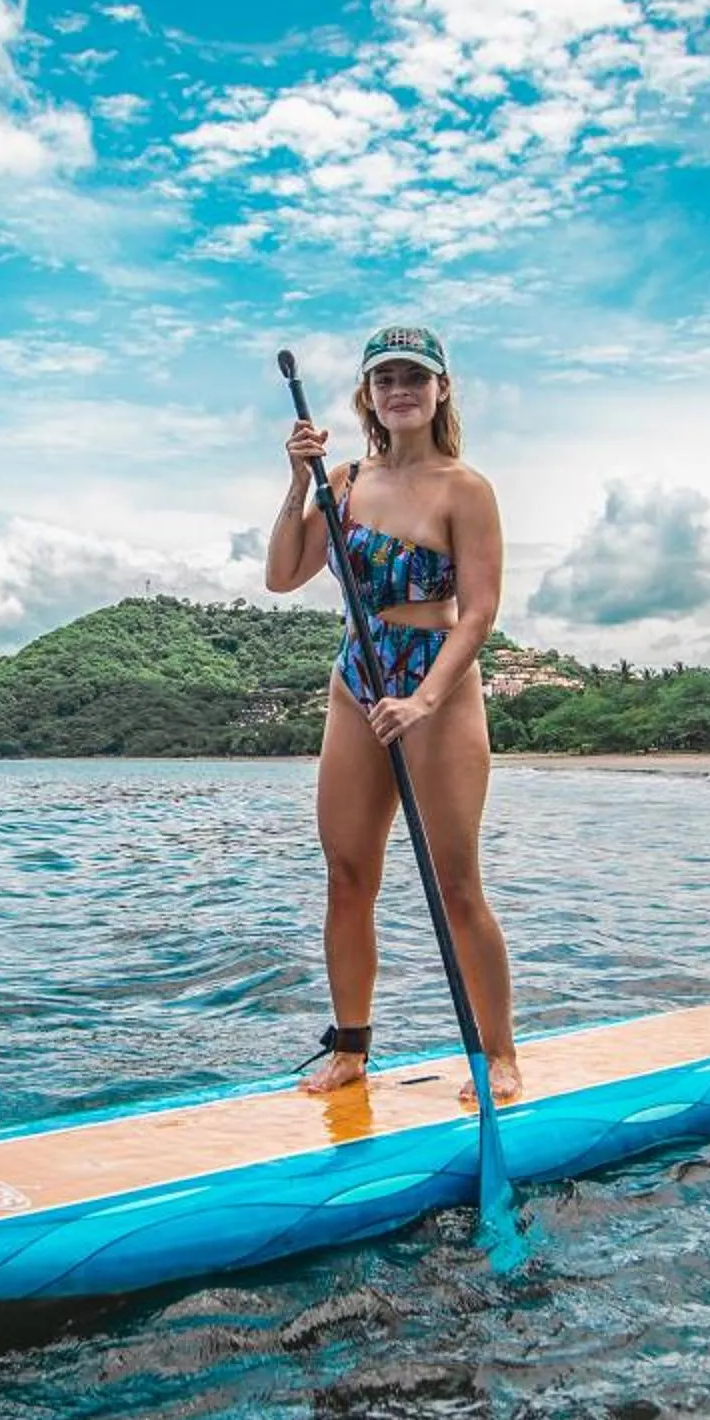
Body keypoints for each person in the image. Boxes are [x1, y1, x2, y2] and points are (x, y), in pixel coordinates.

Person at [264, 323, 517, 1103]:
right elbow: (281, 575)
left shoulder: (465, 489)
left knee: (456, 883)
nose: (400, 389)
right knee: (347, 874)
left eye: (415, 376)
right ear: (366, 397)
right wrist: (300, 482)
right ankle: (350, 1051)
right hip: (356, 680)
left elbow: (476, 613)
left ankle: (500, 1055)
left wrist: (424, 699)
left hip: (432, 687)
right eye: (385, 379)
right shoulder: (342, 482)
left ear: (440, 389)